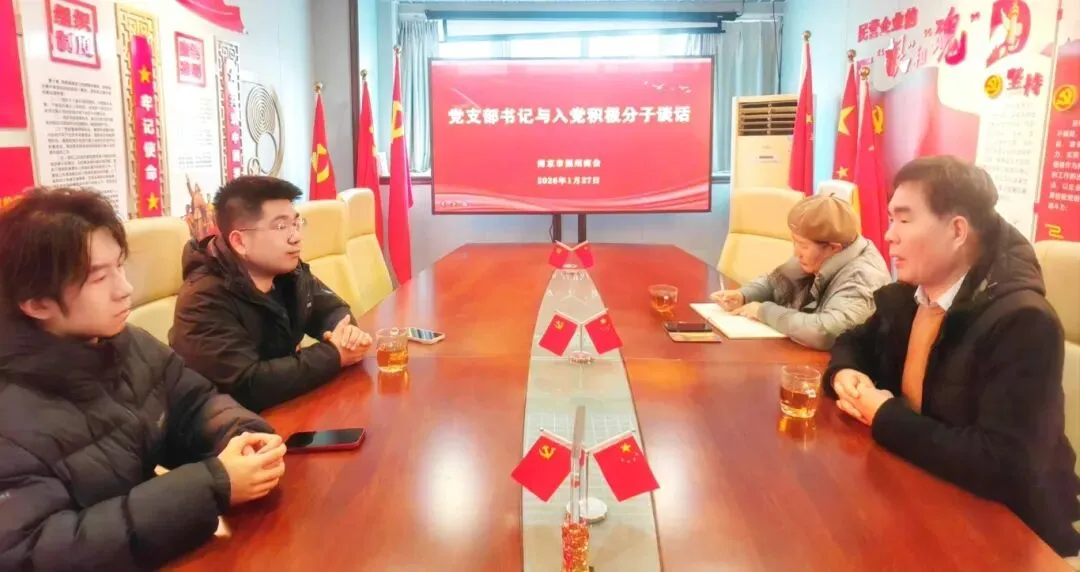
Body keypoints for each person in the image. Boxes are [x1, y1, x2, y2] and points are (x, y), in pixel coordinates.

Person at [0, 188, 286, 571]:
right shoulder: (11, 411)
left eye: (120, 266)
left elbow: (195, 403)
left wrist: (241, 436)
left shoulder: (122, 342)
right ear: (36, 303)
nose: (125, 289)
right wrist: (211, 485)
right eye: (98, 278)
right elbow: (33, 551)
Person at [825, 156, 1080, 558]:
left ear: (957, 230)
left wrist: (885, 414)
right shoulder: (916, 294)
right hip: (920, 490)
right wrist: (845, 372)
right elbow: (854, 341)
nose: (889, 235)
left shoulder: (1024, 322)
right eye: (890, 219)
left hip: (1010, 531)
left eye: (904, 219)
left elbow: (1003, 465)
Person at [170, 176, 371, 412]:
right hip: (225, 427)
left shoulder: (288, 272)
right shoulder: (203, 298)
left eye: (296, 223)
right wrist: (333, 354)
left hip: (282, 410)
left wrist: (347, 335)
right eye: (280, 227)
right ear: (240, 242)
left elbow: (332, 309)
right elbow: (250, 384)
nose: (296, 237)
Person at [711, 193, 891, 350]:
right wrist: (744, 296)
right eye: (795, 242)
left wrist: (764, 312)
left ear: (833, 248)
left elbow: (825, 332)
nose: (796, 253)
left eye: (803, 245)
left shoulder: (862, 277)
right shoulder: (820, 255)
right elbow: (777, 282)